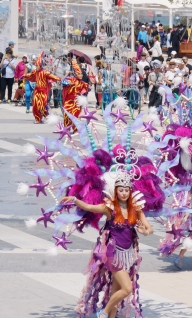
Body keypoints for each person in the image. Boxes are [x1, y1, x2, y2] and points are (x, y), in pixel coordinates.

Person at [61, 168, 154, 318]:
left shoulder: (136, 209)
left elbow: (150, 229)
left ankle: (110, 315)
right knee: (127, 288)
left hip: (127, 255)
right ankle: (103, 312)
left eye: (126, 190)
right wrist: (74, 200)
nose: (124, 193)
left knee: (116, 291)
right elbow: (88, 207)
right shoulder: (109, 208)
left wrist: (145, 231)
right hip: (112, 254)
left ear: (130, 192)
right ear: (116, 191)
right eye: (121, 190)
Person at [22, 52, 61, 124]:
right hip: (37, 91)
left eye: (37, 66)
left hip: (43, 92)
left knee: (42, 105)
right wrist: (24, 76)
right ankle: (38, 119)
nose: (36, 67)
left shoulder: (45, 72)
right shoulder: (35, 72)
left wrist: (59, 78)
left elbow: (52, 76)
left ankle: (47, 117)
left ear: (40, 65)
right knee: (35, 106)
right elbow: (29, 75)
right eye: (36, 65)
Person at [62, 61, 90, 133]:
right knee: (67, 115)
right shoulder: (71, 79)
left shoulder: (83, 83)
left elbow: (87, 89)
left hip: (76, 101)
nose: (80, 75)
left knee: (76, 115)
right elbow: (63, 82)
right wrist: (69, 83)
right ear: (75, 74)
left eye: (81, 74)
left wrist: (82, 94)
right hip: (68, 101)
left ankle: (76, 129)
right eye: (79, 74)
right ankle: (67, 129)